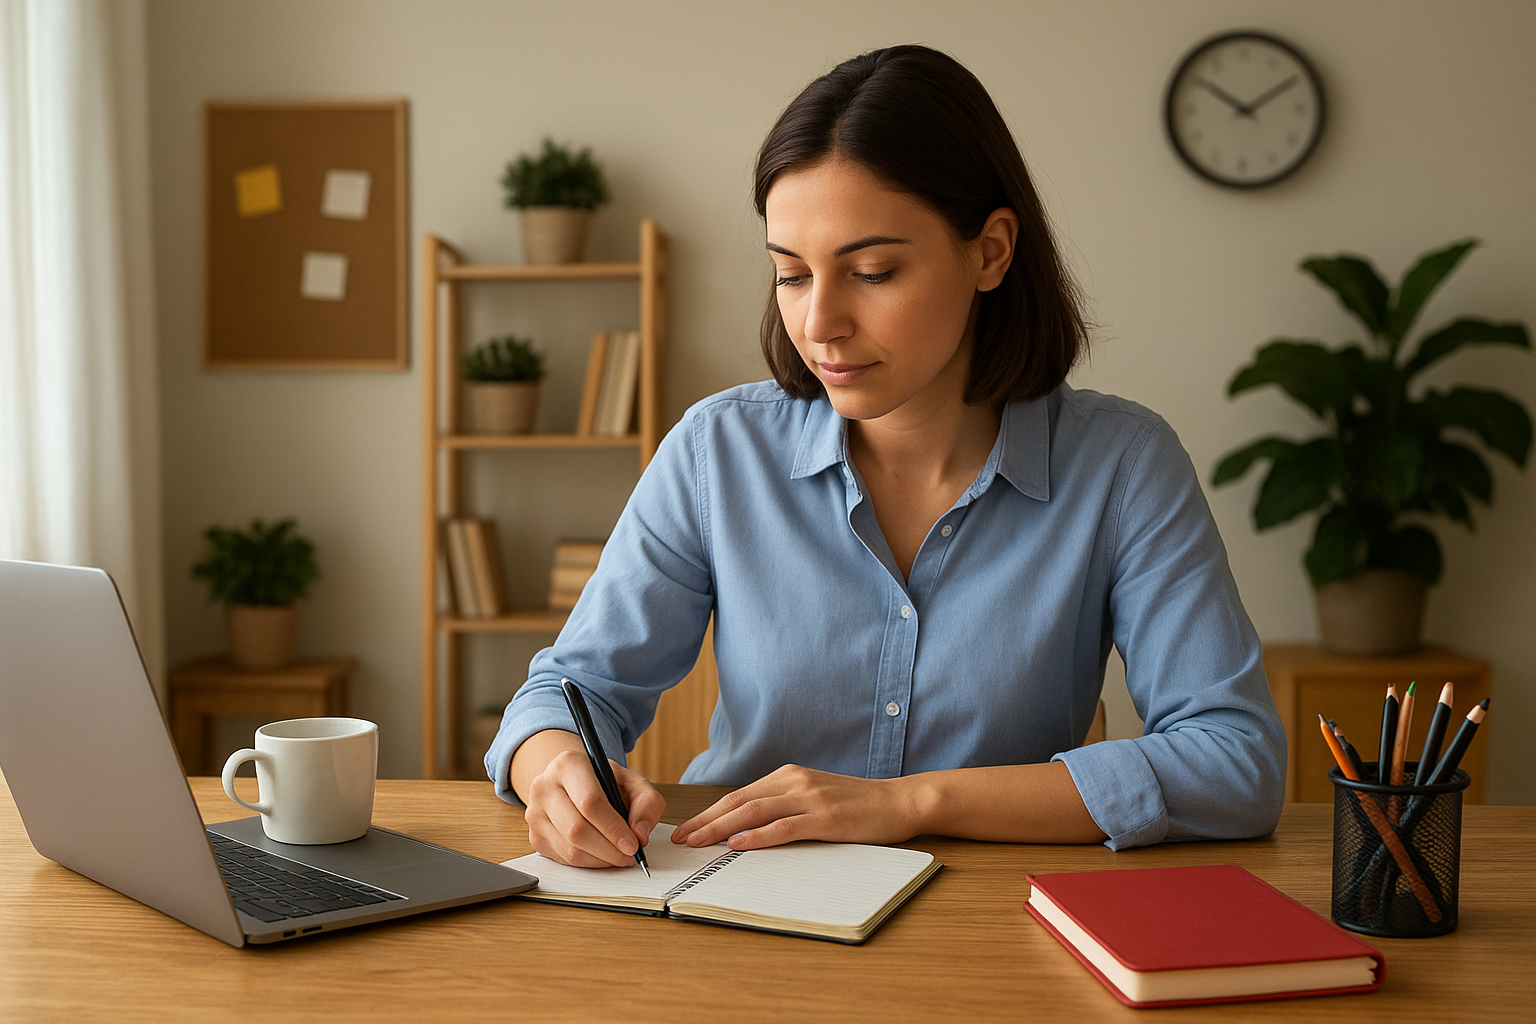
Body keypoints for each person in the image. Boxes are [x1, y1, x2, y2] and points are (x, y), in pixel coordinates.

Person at [486, 44, 1286, 869]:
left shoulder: (1123, 466)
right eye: (791, 276)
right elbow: (566, 691)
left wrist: (910, 803)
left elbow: (1237, 760)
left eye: (871, 272)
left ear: (991, 252)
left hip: (983, 923)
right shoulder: (716, 451)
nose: (820, 322)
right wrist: (557, 771)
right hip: (725, 894)